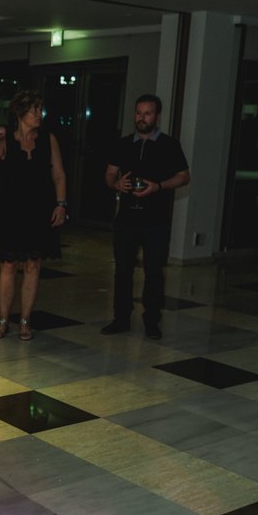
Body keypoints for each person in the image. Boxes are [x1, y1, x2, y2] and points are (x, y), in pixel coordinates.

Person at [0, 90, 67, 340]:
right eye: (35, 110)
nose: (40, 114)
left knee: (33, 264)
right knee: (9, 265)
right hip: (13, 210)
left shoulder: (48, 139)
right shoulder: (7, 139)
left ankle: (26, 321)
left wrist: (61, 204)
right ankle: (3, 319)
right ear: (21, 113)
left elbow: (59, 174)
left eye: (41, 109)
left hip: (39, 209)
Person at [101, 94, 190, 339]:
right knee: (122, 271)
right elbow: (109, 174)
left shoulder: (169, 145)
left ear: (157, 117)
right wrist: (116, 184)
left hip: (156, 221)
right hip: (126, 220)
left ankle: (152, 321)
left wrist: (159, 186)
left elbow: (184, 176)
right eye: (139, 113)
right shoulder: (123, 144)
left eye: (147, 113)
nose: (142, 118)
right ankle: (121, 318)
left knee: (154, 272)